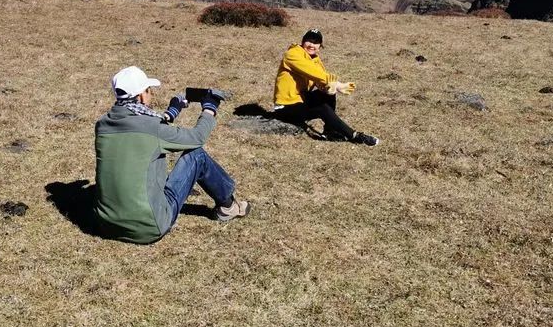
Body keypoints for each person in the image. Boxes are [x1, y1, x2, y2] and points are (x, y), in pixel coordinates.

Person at [94, 65, 250, 243]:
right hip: (149, 226)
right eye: (149, 90)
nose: (151, 94)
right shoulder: (153, 129)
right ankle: (229, 207)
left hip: (105, 225)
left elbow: (143, 125)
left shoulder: (103, 125)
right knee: (197, 156)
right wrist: (209, 110)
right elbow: (197, 138)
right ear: (141, 95)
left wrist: (171, 112)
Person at [273, 29, 380, 146]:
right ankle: (355, 136)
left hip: (300, 100)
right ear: (303, 42)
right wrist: (338, 84)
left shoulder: (316, 60)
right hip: (286, 107)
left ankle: (330, 131)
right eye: (309, 41)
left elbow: (321, 80)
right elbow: (312, 72)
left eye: (316, 42)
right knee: (322, 109)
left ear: (320, 46)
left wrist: (329, 87)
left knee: (328, 94)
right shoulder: (292, 54)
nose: (312, 45)